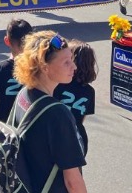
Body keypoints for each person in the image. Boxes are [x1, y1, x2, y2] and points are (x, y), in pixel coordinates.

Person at [11, 31, 87, 193]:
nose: (74, 66)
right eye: (66, 62)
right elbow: (72, 181)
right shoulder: (57, 114)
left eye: (72, 60)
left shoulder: (23, 94)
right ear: (45, 68)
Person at [0, 18, 34, 124]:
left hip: (5, 129)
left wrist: (3, 99)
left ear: (7, 41)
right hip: (28, 127)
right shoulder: (37, 68)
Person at [53, 40, 97, 154]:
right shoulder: (89, 91)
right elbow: (81, 119)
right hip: (77, 137)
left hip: (57, 133)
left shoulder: (58, 84)